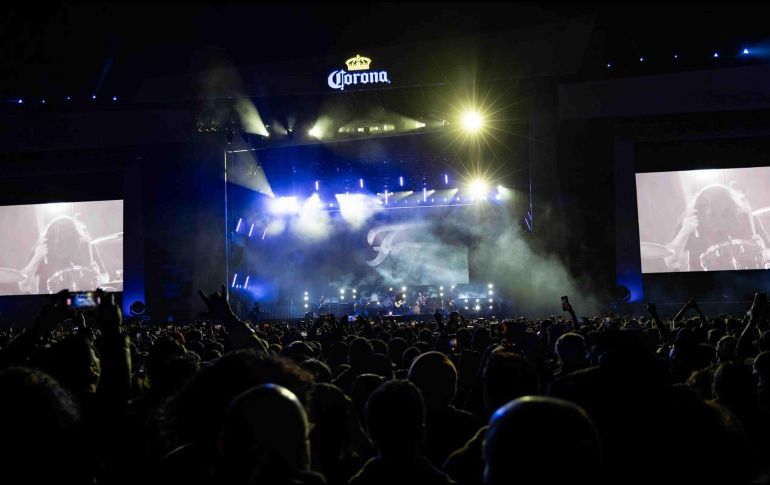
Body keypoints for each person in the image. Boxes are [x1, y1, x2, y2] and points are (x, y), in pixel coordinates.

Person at [664, 183, 770, 271]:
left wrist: (763, 250)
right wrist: (684, 232)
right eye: (711, 213)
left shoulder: (747, 220)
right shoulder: (692, 221)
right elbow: (670, 261)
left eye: (722, 213)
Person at [18, 215, 104, 294]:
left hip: (83, 300)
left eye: (67, 237)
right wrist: (35, 259)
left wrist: (98, 274)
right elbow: (23, 286)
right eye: (57, 238)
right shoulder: (43, 248)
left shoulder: (86, 246)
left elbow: (105, 278)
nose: (61, 240)